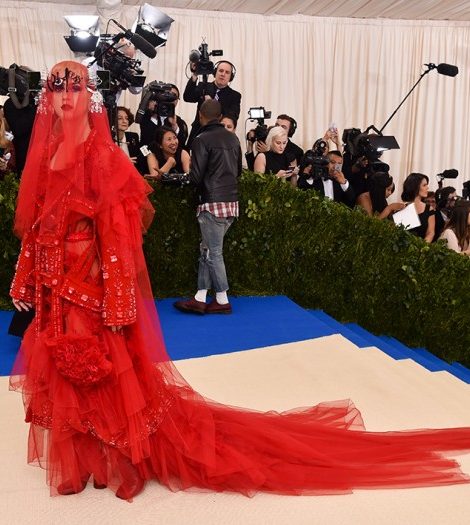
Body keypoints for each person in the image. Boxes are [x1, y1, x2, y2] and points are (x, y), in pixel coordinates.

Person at [10, 61, 470, 501]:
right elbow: (35, 225)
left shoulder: (105, 158)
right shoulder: (47, 154)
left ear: (89, 96)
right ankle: (78, 460)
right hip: (56, 289)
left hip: (93, 288)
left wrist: (118, 298)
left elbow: (116, 234)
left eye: (74, 86)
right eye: (55, 87)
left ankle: (109, 458)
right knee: (66, 369)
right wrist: (24, 278)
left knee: (103, 371)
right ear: (45, 98)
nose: (64, 97)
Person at [174, 100, 240, 314]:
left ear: (201, 115)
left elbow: (196, 177)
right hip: (231, 202)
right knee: (207, 250)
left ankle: (222, 299)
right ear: (220, 117)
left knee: (213, 252)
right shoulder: (233, 138)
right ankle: (200, 296)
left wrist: (180, 179)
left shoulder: (201, 139)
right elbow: (238, 171)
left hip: (211, 202)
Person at [183, 61, 241, 149]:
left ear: (231, 77)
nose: (223, 74)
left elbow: (233, 116)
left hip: (220, 141)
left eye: (227, 72)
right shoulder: (203, 86)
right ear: (215, 72)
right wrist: (195, 75)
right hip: (198, 134)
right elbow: (188, 97)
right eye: (221, 71)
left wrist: (212, 104)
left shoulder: (235, 96)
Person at [139, 84, 188, 150]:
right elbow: (146, 141)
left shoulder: (180, 122)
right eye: (166, 95)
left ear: (176, 101)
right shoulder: (147, 117)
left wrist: (174, 126)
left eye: (173, 96)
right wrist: (152, 113)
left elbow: (181, 144)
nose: (169, 99)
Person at [401, 173, 436, 243]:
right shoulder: (402, 207)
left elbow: (431, 233)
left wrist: (421, 248)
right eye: (424, 185)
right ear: (415, 187)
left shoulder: (429, 209)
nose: (427, 188)